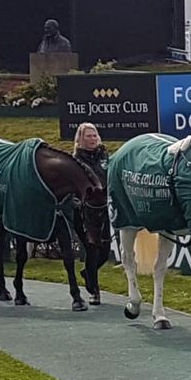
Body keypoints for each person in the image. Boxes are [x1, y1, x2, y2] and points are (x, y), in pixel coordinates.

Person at [73, 122, 110, 305]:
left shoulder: (105, 156)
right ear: (80, 139)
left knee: (105, 250)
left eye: (94, 135)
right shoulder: (76, 160)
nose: (93, 139)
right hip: (85, 210)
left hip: (104, 207)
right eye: (88, 136)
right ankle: (94, 290)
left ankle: (88, 273)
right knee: (92, 249)